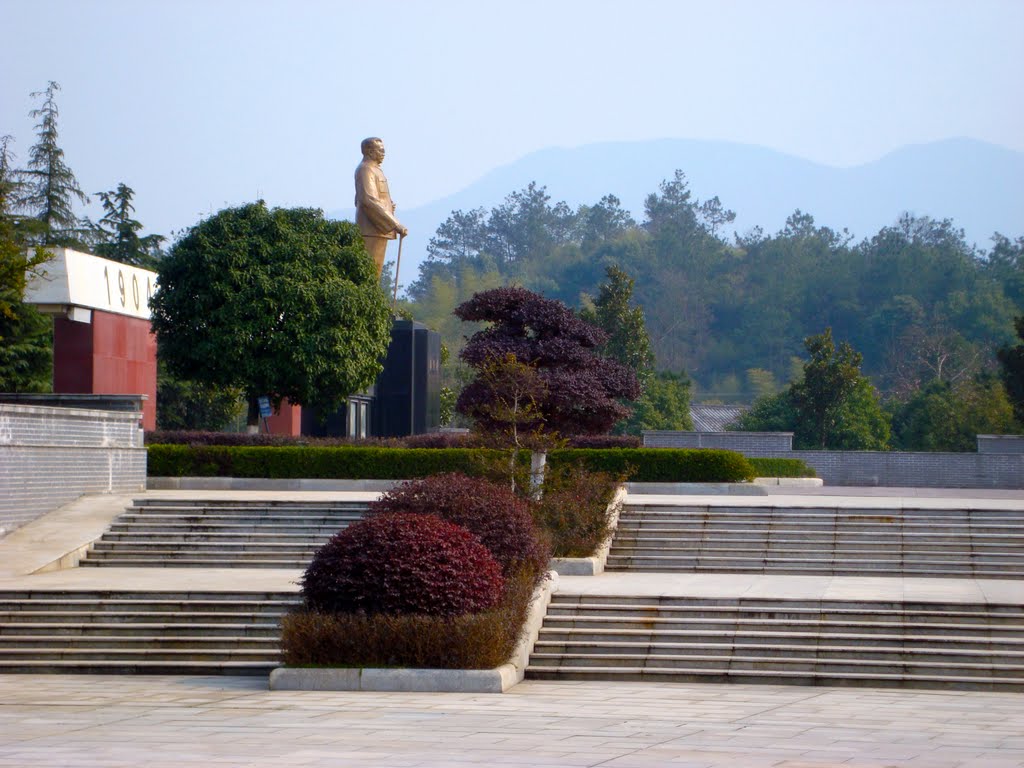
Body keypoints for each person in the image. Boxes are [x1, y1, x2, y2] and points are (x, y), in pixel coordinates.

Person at [354, 137, 408, 279]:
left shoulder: (375, 169)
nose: (384, 153)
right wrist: (395, 224)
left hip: (378, 230)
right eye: (381, 150)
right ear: (370, 151)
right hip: (371, 229)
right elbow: (368, 200)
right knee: (369, 275)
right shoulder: (365, 169)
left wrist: (389, 205)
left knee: (375, 273)